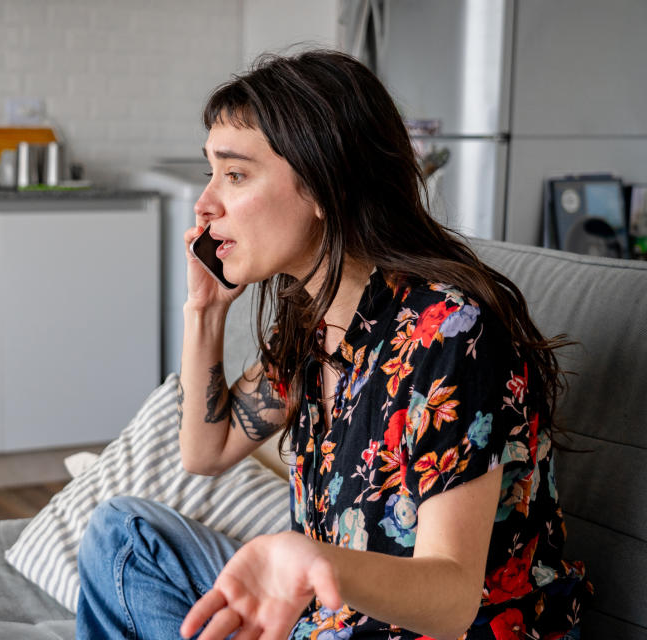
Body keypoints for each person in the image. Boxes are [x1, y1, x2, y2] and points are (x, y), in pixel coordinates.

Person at [76, 49, 590, 639]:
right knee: (123, 534)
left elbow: (452, 599)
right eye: (210, 172)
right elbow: (204, 451)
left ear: (325, 187)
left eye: (235, 174)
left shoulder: (452, 333)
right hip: (329, 616)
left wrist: (311, 558)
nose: (205, 203)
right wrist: (206, 312)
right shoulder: (313, 327)